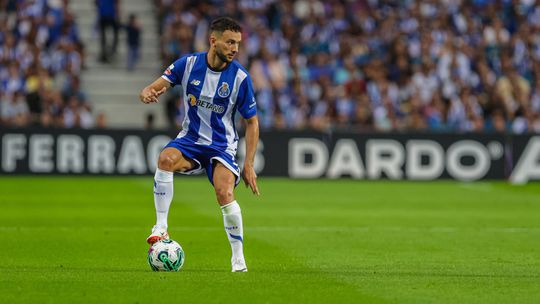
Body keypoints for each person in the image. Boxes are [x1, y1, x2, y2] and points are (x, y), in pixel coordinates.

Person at [139, 17, 260, 272]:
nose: (235, 48)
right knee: (165, 159)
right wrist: (148, 91)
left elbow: (252, 122)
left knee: (224, 193)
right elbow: (157, 85)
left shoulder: (240, 78)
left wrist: (248, 163)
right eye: (229, 42)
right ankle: (161, 226)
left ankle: (238, 258)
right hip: (191, 140)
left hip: (221, 146)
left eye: (237, 43)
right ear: (213, 40)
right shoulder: (189, 64)